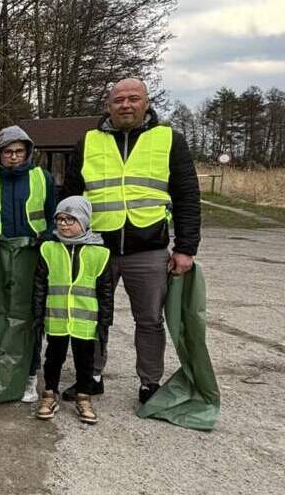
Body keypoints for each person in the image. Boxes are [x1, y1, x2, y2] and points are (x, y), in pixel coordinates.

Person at [62, 78, 201, 404]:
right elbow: (69, 193)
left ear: (146, 102)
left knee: (150, 321)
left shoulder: (169, 140)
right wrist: (69, 237)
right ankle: (90, 376)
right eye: (118, 100)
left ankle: (149, 383)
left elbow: (187, 196)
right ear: (108, 105)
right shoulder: (88, 141)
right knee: (91, 316)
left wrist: (185, 248)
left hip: (149, 248)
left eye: (133, 98)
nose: (125, 105)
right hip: (97, 246)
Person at [0, 125, 57, 403]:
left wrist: (44, 239)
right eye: (8, 151)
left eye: (19, 151)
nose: (14, 156)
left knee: (29, 316)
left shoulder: (42, 178)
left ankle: (30, 374)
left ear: (28, 152)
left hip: (33, 255)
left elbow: (54, 215)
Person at [32, 196, 113, 424]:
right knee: (53, 358)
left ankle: (84, 397)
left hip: (86, 321)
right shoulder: (48, 249)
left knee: (85, 360)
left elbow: (105, 291)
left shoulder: (100, 253)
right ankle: (49, 394)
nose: (64, 224)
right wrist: (37, 316)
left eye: (71, 219)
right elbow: (39, 285)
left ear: (85, 221)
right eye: (60, 219)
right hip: (56, 317)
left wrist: (105, 322)